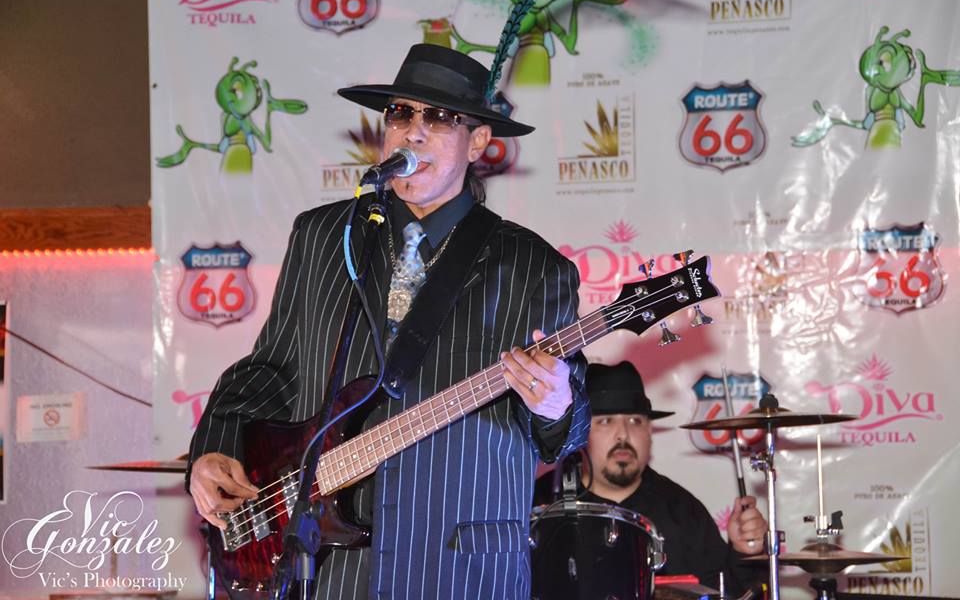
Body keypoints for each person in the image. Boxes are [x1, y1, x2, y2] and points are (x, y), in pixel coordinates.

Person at [186, 44, 590, 600]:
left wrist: (557, 405)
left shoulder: (533, 266)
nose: (413, 132)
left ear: (477, 142)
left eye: (439, 118)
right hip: (329, 567)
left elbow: (563, 434)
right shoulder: (324, 237)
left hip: (462, 568)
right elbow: (272, 370)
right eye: (401, 113)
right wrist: (213, 446)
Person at [536, 361, 767, 595]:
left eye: (635, 421)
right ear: (579, 432)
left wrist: (743, 553)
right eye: (606, 421)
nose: (623, 434)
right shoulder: (542, 503)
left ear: (649, 432)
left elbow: (725, 592)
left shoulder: (682, 511)